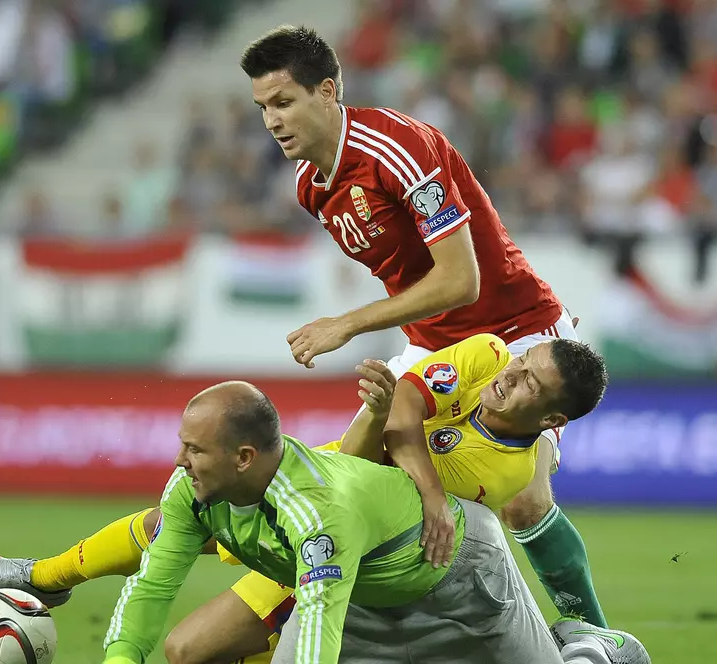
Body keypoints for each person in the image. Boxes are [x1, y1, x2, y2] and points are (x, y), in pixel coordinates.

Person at [246, 23, 609, 630]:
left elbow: (460, 281)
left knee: (523, 499)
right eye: (263, 108)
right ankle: (296, 625)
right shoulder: (313, 187)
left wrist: (349, 324)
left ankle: (599, 640)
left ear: (328, 91)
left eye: (284, 102)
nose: (272, 121)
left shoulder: (398, 147)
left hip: (517, 330)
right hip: (435, 345)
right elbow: (409, 279)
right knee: (351, 486)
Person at [0, 335, 620, 663]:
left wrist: (402, 444)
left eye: (532, 386)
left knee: (190, 646)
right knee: (177, 520)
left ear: (553, 422)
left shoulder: (501, 471)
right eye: (523, 364)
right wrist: (410, 453)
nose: (511, 377)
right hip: (336, 480)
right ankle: (43, 577)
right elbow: (403, 406)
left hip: (363, 534)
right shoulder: (487, 352)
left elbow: (387, 453)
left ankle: (586, 645)